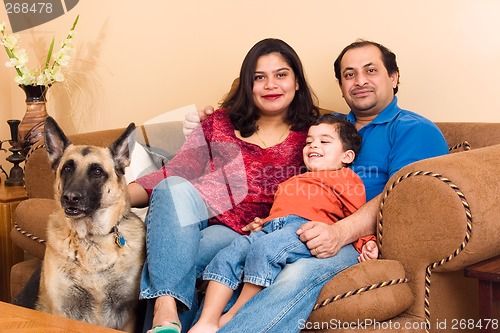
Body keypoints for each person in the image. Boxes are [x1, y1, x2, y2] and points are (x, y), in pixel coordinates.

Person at [182, 39, 449, 332]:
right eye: (349, 74)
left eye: (370, 70)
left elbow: (400, 198)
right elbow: (264, 128)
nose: (360, 81)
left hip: (346, 238)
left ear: (394, 77)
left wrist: (338, 232)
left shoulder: (414, 129)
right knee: (225, 256)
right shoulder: (327, 125)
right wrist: (216, 117)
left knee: (292, 277)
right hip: (290, 226)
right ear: (341, 85)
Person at [127, 38, 320, 333]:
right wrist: (114, 198)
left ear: (296, 82)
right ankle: (165, 310)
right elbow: (176, 171)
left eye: (281, 75)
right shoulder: (219, 122)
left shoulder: (314, 133)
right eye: (259, 77)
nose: (271, 85)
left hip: (247, 231)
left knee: (177, 257)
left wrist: (275, 223)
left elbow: (320, 190)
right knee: (171, 188)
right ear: (247, 84)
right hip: (203, 217)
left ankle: (166, 321)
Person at [189, 114, 377, 333]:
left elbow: (355, 214)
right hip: (273, 228)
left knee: (265, 250)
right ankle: (207, 321)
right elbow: (281, 211)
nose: (313, 145)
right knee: (232, 252)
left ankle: (233, 315)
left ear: (347, 156)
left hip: (305, 229)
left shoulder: (347, 178)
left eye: (324, 141)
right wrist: (263, 223)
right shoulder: (292, 180)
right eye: (309, 142)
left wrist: (367, 243)